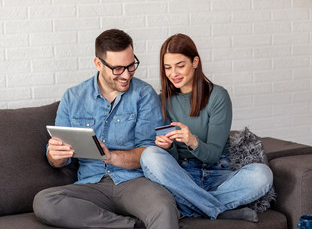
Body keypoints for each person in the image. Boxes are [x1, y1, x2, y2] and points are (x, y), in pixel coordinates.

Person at [33, 29, 179, 229]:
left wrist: (112, 157)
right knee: (45, 202)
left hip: (134, 182)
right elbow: (58, 160)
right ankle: (129, 226)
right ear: (98, 64)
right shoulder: (73, 97)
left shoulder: (144, 95)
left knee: (164, 206)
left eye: (131, 66)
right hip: (91, 185)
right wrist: (55, 156)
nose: (126, 75)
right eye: (118, 69)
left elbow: (151, 152)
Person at [140, 33, 273, 223]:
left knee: (262, 174)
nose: (173, 74)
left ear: (195, 62)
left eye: (180, 65)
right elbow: (173, 160)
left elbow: (213, 155)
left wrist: (192, 141)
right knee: (150, 155)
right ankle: (220, 210)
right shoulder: (163, 101)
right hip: (184, 176)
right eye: (167, 67)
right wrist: (168, 147)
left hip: (219, 174)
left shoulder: (218, 96)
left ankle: (192, 206)